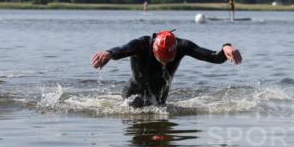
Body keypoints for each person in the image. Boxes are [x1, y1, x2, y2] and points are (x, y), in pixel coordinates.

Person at [91, 30, 242, 107]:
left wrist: (226, 47)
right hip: (132, 95)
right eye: (161, 60)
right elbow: (122, 49)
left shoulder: (183, 46)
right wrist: (109, 53)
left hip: (160, 98)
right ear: (154, 49)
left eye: (168, 60)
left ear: (175, 49)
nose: (164, 64)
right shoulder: (142, 44)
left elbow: (214, 57)